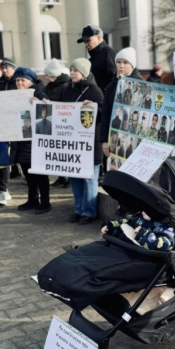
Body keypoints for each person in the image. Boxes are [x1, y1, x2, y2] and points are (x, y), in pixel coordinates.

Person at [0, 67, 50, 213]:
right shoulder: (15, 95)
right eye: (17, 80)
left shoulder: (39, 93)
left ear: (30, 81)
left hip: (36, 141)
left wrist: (38, 105)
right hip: (21, 139)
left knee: (40, 174)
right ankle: (32, 200)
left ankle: (45, 202)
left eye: (22, 80)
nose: (19, 83)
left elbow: (48, 115)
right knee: (28, 174)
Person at [61, 58, 104, 224]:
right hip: (73, 143)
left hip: (90, 144)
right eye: (71, 70)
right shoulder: (68, 89)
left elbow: (103, 114)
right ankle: (79, 209)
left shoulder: (94, 91)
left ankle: (89, 212)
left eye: (75, 70)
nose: (71, 73)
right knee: (74, 177)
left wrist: (92, 108)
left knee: (89, 179)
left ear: (84, 73)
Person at [100, 47, 143, 160]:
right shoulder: (112, 86)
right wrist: (104, 140)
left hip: (134, 140)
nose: (121, 66)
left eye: (125, 62)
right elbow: (106, 114)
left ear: (132, 65)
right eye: (118, 62)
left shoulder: (141, 85)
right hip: (114, 138)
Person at [0, 57, 18, 195]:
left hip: (18, 123)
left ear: (13, 68)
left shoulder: (18, 80)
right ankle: (3, 188)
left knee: (19, 154)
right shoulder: (0, 82)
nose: (3, 70)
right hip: (4, 122)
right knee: (3, 152)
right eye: (2, 68)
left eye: (6, 67)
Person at [101, 211, 175, 252]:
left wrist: (142, 233)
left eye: (146, 208)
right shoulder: (139, 217)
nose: (142, 211)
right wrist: (111, 227)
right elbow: (127, 224)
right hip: (124, 247)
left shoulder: (167, 229)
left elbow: (164, 245)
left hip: (141, 258)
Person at [78, 24, 116, 91]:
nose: (86, 45)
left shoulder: (108, 54)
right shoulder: (94, 57)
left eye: (88, 41)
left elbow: (114, 80)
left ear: (99, 38)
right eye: (84, 42)